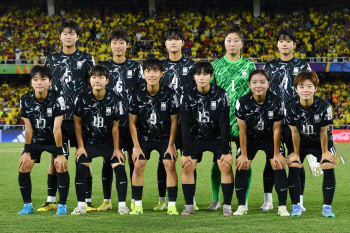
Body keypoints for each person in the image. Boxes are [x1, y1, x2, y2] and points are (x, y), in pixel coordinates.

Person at [43, 20, 96, 212]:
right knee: (55, 159)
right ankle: (51, 200)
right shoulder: (51, 59)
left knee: (84, 157)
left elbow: (92, 86)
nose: (68, 36)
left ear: (77, 37)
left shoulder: (87, 58)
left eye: (72, 33)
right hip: (59, 117)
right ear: (60, 36)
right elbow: (46, 87)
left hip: (80, 117)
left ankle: (87, 201)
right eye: (65, 33)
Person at [263, 28, 311, 211]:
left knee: (296, 162)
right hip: (274, 122)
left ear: (293, 44)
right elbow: (264, 94)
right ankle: (268, 201)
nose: (284, 44)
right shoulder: (269, 66)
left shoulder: (303, 66)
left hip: (296, 123)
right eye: (281, 41)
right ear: (277, 44)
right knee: (272, 162)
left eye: (288, 41)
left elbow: (309, 92)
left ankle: (298, 201)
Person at [71, 65, 129, 215]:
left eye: (101, 77)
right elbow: (77, 123)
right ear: (90, 80)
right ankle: (81, 206)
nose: (97, 80)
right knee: (81, 167)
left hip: (109, 143)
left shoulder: (115, 99)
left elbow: (115, 127)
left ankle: (122, 205)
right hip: (89, 143)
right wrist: (80, 147)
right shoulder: (82, 98)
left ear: (107, 80)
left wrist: (117, 149)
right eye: (94, 77)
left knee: (120, 168)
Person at [210, 24, 256, 211]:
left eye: (236, 40)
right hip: (221, 121)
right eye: (229, 40)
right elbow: (210, 94)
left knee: (244, 159)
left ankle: (242, 201)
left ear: (241, 44)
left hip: (243, 121)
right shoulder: (216, 65)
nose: (232, 44)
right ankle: (216, 199)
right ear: (224, 43)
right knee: (218, 161)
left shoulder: (249, 65)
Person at [99, 29, 145, 211]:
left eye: (121, 42)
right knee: (107, 160)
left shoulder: (135, 67)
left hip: (131, 122)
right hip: (111, 123)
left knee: (134, 160)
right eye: (115, 42)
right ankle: (107, 200)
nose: (118, 46)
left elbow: (142, 92)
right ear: (110, 45)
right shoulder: (103, 67)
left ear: (127, 45)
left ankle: (134, 199)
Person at [233, 70, 289, 216]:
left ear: (268, 84)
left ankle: (282, 207)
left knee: (278, 164)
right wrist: (243, 154)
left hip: (271, 139)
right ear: (249, 85)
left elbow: (277, 130)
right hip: (250, 139)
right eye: (255, 82)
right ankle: (241, 206)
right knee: (242, 165)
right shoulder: (242, 102)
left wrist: (277, 153)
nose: (258, 85)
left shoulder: (277, 101)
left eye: (262, 82)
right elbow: (242, 130)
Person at [181, 61, 233, 216]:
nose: (201, 77)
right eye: (198, 74)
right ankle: (189, 206)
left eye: (205, 74)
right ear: (194, 76)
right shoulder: (188, 95)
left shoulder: (222, 94)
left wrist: (226, 150)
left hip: (217, 137)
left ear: (211, 76)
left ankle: (227, 206)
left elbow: (224, 125)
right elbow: (184, 125)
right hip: (196, 137)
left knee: (225, 165)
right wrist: (186, 152)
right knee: (187, 166)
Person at [129, 59, 179, 215]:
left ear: (161, 74)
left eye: (155, 71)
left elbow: (174, 121)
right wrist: (136, 147)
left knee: (169, 164)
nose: (152, 74)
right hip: (144, 138)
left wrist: (171, 145)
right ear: (143, 74)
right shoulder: (137, 94)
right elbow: (131, 122)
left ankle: (171, 205)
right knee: (138, 165)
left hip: (164, 138)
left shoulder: (169, 94)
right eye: (148, 71)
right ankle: (137, 205)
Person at [18, 66, 69, 215]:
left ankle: (62, 206)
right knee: (24, 165)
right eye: (35, 79)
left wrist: (59, 153)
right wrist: (27, 151)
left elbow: (57, 129)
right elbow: (28, 128)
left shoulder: (58, 98)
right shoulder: (25, 99)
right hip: (36, 139)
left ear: (50, 82)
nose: (39, 82)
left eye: (43, 79)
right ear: (31, 82)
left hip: (55, 140)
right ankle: (27, 205)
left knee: (61, 166)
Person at [286, 71, 336, 218]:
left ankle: (327, 208)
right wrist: (295, 153)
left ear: (315, 88)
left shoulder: (324, 106)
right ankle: (296, 206)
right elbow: (294, 133)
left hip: (320, 142)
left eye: (309, 86)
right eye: (301, 86)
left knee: (328, 164)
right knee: (294, 165)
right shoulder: (290, 107)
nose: (305, 89)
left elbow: (323, 132)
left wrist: (325, 152)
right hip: (300, 142)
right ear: (296, 89)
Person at [157, 28, 197, 211]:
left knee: (188, 160)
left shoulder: (192, 65)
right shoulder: (159, 67)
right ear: (165, 43)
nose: (173, 42)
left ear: (183, 43)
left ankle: (192, 199)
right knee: (164, 159)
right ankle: (162, 199)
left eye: (177, 39)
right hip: (164, 121)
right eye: (170, 39)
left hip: (187, 120)